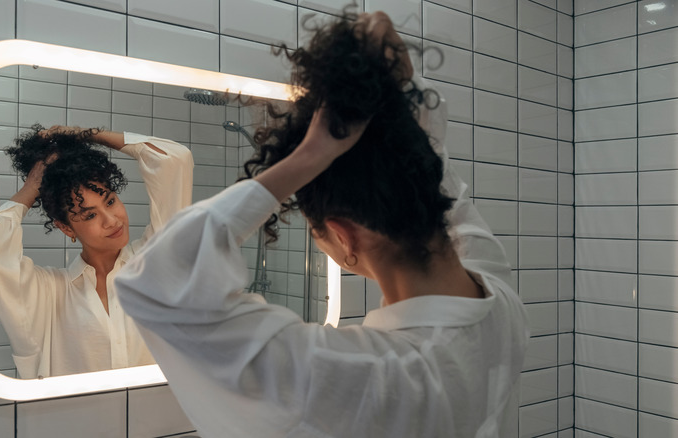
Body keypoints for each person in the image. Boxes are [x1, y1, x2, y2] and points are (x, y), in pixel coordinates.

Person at [115, 11, 529, 438]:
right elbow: (433, 171)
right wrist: (400, 92)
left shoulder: (359, 379)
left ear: (345, 235)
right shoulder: (499, 296)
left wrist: (310, 156)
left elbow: (154, 287)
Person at [0, 125, 193, 379]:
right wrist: (35, 184)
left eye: (110, 201)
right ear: (66, 227)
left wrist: (85, 135)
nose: (111, 220)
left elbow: (174, 159)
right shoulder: (48, 295)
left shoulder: (156, 262)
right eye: (89, 215)